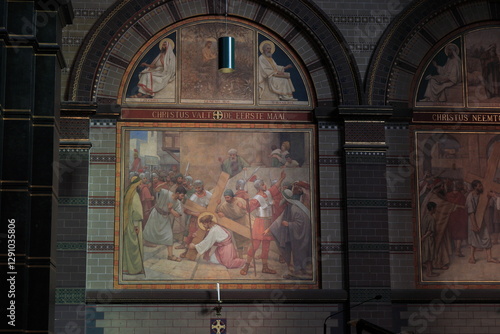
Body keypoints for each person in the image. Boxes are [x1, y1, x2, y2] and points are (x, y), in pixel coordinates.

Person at [240, 172, 286, 275]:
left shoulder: (268, 193)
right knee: (255, 245)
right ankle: (246, 266)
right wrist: (246, 200)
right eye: (263, 184)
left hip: (268, 222)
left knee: (266, 246)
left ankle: (265, 267)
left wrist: (281, 178)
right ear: (260, 187)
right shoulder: (256, 199)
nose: (265, 185)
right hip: (260, 223)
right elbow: (249, 209)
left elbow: (275, 187)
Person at [267, 188, 311, 277]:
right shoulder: (289, 207)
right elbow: (280, 219)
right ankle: (295, 271)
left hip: (300, 237)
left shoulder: (295, 208)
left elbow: (300, 224)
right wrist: (269, 229)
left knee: (298, 254)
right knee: (292, 253)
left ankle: (297, 272)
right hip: (293, 236)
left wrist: (289, 224)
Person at [142, 185, 187, 262]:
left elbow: (178, 215)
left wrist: (170, 209)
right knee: (148, 231)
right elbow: (157, 189)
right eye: (182, 195)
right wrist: (163, 184)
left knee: (169, 236)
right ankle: (141, 247)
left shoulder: (178, 203)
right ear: (177, 193)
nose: (182, 197)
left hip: (165, 218)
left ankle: (170, 255)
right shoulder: (166, 193)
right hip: (155, 215)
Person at [466, 180, 499, 264]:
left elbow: (488, 196)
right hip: (473, 220)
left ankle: (489, 257)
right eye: (479, 186)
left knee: (487, 237)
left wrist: (493, 195)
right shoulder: (470, 197)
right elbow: (471, 213)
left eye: (481, 185)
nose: (481, 187)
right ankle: (472, 257)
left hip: (481, 219)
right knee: (474, 238)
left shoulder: (481, 194)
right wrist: (474, 225)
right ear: (474, 187)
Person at [181, 179, 212, 258]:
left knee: (207, 236)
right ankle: (187, 252)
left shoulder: (209, 195)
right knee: (191, 236)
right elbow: (186, 210)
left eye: (199, 188)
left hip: (206, 220)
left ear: (202, 187)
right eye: (196, 188)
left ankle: (206, 254)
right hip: (195, 220)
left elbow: (213, 207)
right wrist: (195, 214)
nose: (197, 190)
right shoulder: (193, 197)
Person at [216, 189, 251, 256]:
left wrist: (243, 207)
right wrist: (219, 213)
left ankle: (246, 256)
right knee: (238, 241)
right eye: (225, 197)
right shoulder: (224, 205)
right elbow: (218, 211)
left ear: (232, 196)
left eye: (228, 197)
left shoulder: (240, 200)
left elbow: (249, 207)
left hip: (245, 220)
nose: (226, 199)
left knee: (248, 237)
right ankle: (240, 257)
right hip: (235, 223)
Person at [122, 177, 145, 275]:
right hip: (133, 224)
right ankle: (135, 269)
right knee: (135, 246)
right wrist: (136, 226)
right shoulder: (134, 195)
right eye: (140, 184)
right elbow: (136, 212)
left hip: (127, 224)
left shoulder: (127, 193)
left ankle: (126, 268)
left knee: (128, 246)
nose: (141, 186)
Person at [445, 181, 467, 257]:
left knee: (454, 232)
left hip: (452, 216)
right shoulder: (461, 196)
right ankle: (458, 250)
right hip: (460, 216)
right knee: (459, 233)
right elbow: (464, 206)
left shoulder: (447, 195)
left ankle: (455, 250)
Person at [421, 201, 439, 277]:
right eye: (435, 208)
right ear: (432, 208)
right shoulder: (431, 218)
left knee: (428, 256)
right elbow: (430, 231)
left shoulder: (425, 216)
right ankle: (429, 273)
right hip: (429, 239)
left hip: (425, 239)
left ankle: (429, 272)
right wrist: (423, 237)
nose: (436, 210)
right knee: (430, 256)